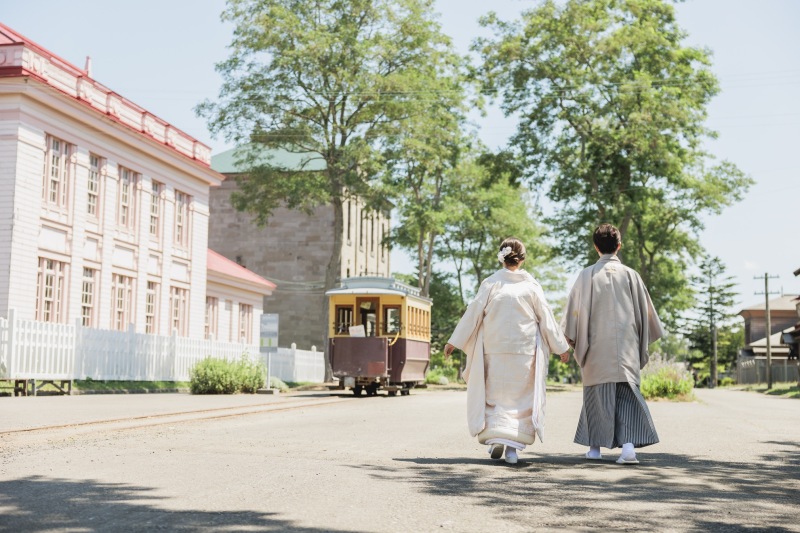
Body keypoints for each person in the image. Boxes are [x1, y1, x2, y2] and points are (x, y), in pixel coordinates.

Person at [444, 238, 570, 464]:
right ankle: (512, 450)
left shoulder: (491, 284)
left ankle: (496, 440)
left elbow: (473, 313)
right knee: (519, 400)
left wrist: (454, 341)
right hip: (524, 352)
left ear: (501, 257)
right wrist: (561, 347)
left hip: (494, 350)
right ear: (522, 259)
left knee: (496, 397)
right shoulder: (531, 287)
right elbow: (546, 319)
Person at [561, 223, 663, 464]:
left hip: (595, 347)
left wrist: (568, 342)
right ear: (619, 246)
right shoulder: (631, 275)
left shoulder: (585, 276)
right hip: (626, 347)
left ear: (596, 247)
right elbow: (647, 315)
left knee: (596, 398)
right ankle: (628, 450)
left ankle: (594, 450)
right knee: (626, 397)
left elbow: (572, 315)